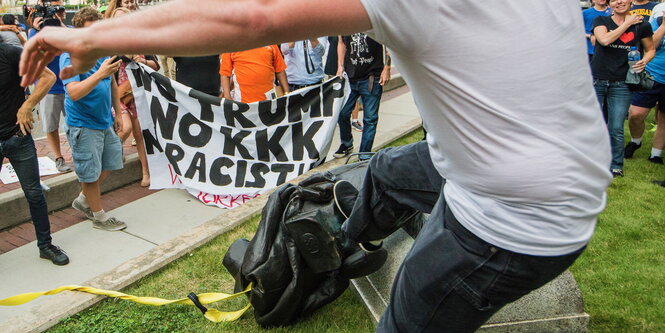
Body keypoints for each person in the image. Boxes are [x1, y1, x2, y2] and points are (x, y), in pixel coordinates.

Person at [19, 1, 613, 331]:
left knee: (406, 323)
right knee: (382, 174)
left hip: (516, 219)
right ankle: (344, 246)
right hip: (535, 165)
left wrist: (94, 36)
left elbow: (252, 17)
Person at [1, 44, 69, 265]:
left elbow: (47, 77)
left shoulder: (10, 53)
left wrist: (27, 106)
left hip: (17, 136)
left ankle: (45, 245)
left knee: (34, 193)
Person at [61, 7, 127, 231]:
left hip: (104, 121)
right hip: (83, 124)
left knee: (112, 162)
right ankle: (98, 216)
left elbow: (112, 83)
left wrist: (117, 113)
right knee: (89, 174)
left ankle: (83, 200)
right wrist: (100, 73)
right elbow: (73, 92)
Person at [592, 0, 655, 177]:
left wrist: (645, 60)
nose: (619, 2)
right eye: (614, 0)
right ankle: (592, 161)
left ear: (630, 1)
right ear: (610, 4)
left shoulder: (643, 25)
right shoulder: (601, 21)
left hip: (622, 83)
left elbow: (650, 49)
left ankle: (616, 165)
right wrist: (627, 23)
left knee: (616, 127)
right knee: (594, 124)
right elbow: (604, 40)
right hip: (598, 80)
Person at [110, 7, 160, 187]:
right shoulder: (109, 42)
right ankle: (111, 153)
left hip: (138, 93)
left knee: (140, 134)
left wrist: (141, 60)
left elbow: (156, 65)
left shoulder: (141, 40)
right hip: (119, 94)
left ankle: (146, 171)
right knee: (125, 128)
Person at [27, 11, 73, 173]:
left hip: (69, 86)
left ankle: (78, 152)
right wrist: (35, 29)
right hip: (48, 89)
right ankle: (59, 157)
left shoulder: (66, 30)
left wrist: (60, 25)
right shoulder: (35, 34)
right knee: (51, 125)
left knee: (74, 123)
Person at [333, 33, 390, 160]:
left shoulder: (370, 18)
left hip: (372, 77)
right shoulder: (344, 21)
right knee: (342, 112)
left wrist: (387, 68)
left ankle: (364, 154)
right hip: (350, 77)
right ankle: (347, 144)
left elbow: (388, 43)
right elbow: (341, 42)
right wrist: (340, 65)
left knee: (370, 119)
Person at [626, 12, 665, 165]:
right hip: (651, 75)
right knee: (635, 114)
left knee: (663, 119)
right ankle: (636, 141)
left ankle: (655, 154)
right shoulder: (657, 22)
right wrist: (663, 26)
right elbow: (650, 46)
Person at [219, 45, 289, 103]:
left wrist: (287, 93)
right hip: (242, 103)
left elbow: (280, 71)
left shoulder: (271, 44)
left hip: (269, 101)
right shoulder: (232, 46)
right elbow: (225, 74)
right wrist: (227, 96)